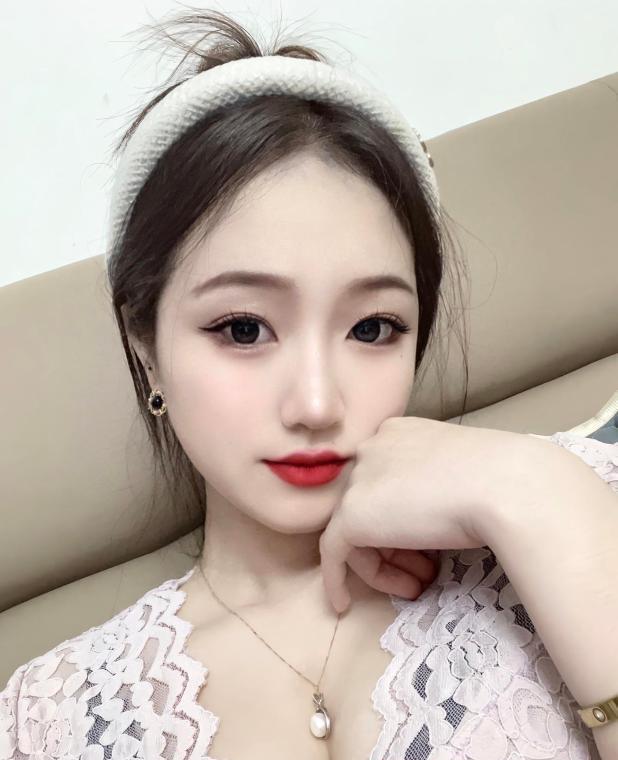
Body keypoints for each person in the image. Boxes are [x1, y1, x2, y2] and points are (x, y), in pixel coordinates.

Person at [1, 8, 616, 760]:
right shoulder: (53, 715)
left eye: (373, 328)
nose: (318, 406)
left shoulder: (570, 502)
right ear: (147, 348)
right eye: (243, 329)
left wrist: (539, 497)